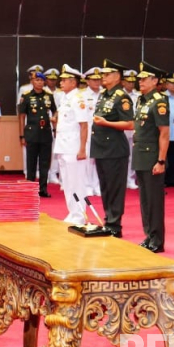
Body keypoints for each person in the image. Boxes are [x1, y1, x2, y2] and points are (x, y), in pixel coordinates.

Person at [91, 59, 134, 238]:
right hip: (101, 147)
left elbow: (130, 124)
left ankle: (115, 224)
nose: (103, 77)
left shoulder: (122, 97)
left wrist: (106, 122)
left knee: (115, 187)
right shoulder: (104, 95)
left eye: (107, 74)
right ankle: (108, 218)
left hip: (115, 149)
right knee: (105, 187)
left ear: (117, 77)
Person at [132, 62, 170, 253]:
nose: (140, 81)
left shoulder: (159, 101)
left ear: (155, 81)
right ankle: (149, 235)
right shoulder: (142, 100)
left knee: (154, 201)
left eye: (144, 78)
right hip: (140, 155)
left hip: (152, 156)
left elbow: (164, 133)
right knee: (145, 200)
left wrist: (161, 160)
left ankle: (157, 239)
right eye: (139, 79)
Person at [52, 64, 90, 224]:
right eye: (61, 80)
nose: (61, 83)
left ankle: (80, 215)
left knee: (77, 182)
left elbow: (84, 125)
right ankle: (72, 212)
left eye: (65, 80)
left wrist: (82, 149)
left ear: (73, 83)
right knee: (67, 182)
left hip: (74, 148)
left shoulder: (78, 99)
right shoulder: (64, 99)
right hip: (63, 146)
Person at [18, 71, 56, 197]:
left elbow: (55, 111)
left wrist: (55, 126)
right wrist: (22, 135)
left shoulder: (49, 96)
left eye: (41, 80)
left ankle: (43, 189)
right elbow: (22, 116)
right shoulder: (26, 96)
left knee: (45, 163)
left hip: (45, 133)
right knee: (31, 163)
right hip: (32, 133)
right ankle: (30, 189)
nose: (39, 82)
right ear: (32, 82)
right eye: (37, 80)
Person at [81, 66, 102, 197]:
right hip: (87, 132)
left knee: (99, 159)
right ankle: (87, 185)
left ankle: (97, 185)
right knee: (88, 160)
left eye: (98, 79)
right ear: (87, 81)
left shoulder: (105, 94)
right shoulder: (82, 95)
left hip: (102, 132)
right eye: (93, 80)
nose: (96, 82)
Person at [121, 69, 140, 190]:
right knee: (122, 156)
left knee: (133, 156)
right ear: (123, 82)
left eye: (133, 82)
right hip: (122, 128)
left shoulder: (138, 95)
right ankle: (122, 179)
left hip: (134, 129)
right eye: (128, 81)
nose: (131, 84)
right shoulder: (119, 95)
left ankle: (131, 178)